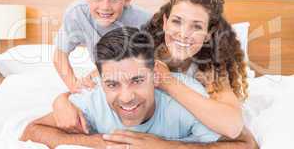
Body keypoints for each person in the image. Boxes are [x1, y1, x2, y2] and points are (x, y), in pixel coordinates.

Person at [53, 0, 248, 139]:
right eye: (177, 21)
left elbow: (232, 127)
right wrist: (60, 100)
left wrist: (165, 82)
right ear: (165, 22)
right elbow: (97, 84)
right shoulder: (141, 53)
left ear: (208, 33)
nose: (183, 34)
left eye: (196, 26)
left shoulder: (210, 69)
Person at [20, 27, 258, 149]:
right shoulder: (92, 100)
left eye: (136, 80)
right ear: (101, 81)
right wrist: (97, 142)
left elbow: (248, 144)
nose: (126, 98)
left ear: (155, 74)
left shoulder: (187, 102)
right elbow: (31, 131)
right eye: (112, 84)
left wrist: (164, 146)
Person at [54, 0, 150, 93]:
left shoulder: (143, 21)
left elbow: (156, 61)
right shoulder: (76, 14)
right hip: (104, 74)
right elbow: (59, 55)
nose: (105, 7)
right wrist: (74, 87)